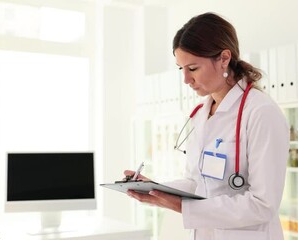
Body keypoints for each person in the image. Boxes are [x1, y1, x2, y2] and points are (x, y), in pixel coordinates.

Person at [124, 12, 289, 240]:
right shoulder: (201, 113)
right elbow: (196, 182)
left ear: (224, 58)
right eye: (180, 69)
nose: (186, 80)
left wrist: (182, 207)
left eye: (192, 68)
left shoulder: (261, 112)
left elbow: (262, 204)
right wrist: (157, 189)